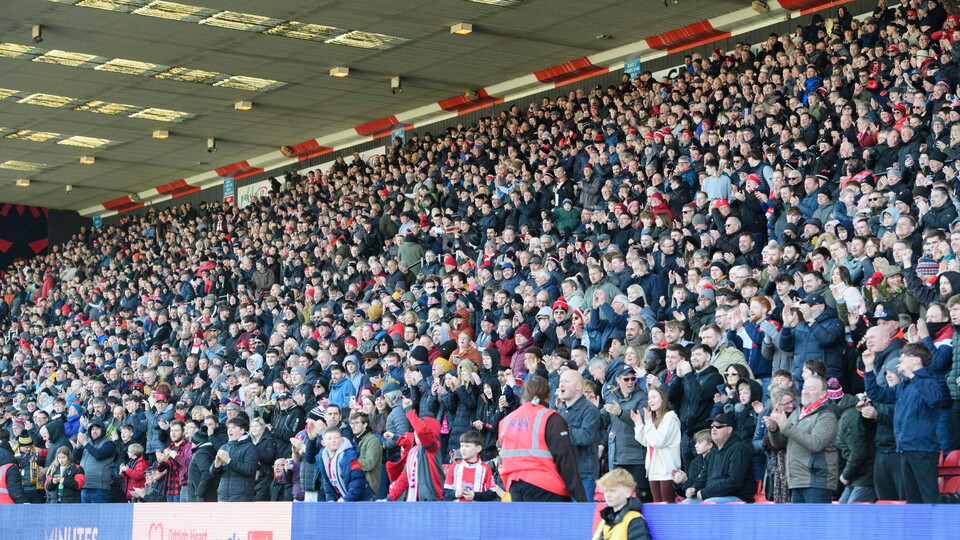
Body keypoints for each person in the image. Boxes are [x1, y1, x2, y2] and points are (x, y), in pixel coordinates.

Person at [863, 343, 940, 504]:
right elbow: (876, 394)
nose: (900, 362)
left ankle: (935, 528)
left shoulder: (930, 380)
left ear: (917, 360)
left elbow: (934, 398)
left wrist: (913, 376)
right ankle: (916, 529)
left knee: (928, 496)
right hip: (903, 448)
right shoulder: (903, 386)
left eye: (904, 358)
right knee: (912, 499)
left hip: (922, 449)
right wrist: (869, 368)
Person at [498, 375, 587, 502]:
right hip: (546, 486)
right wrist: (580, 497)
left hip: (515, 484)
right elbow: (565, 458)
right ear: (548, 394)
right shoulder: (550, 418)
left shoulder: (507, 421)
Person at [766, 375, 838, 503]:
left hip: (816, 481)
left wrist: (786, 426)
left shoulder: (827, 416)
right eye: (804, 387)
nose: (805, 391)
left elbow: (815, 444)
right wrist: (774, 429)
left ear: (823, 394)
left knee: (815, 523)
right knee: (799, 523)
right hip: (796, 480)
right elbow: (779, 444)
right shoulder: (798, 412)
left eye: (811, 388)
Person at [385, 396, 446, 501]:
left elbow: (421, 432)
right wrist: (390, 498)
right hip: (415, 502)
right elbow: (404, 478)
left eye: (420, 427)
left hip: (433, 501)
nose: (416, 432)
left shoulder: (433, 447)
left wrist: (409, 410)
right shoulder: (414, 450)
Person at [684, 412, 753, 503]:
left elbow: (734, 482)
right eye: (712, 426)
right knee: (686, 503)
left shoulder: (738, 449)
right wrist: (694, 488)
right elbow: (703, 478)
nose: (714, 429)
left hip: (736, 496)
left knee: (709, 503)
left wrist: (706, 492)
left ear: (729, 429)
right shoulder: (712, 453)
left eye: (719, 426)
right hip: (712, 496)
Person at [631, 386, 681, 503]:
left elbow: (658, 441)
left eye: (654, 397)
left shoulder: (670, 419)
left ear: (663, 399)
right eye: (649, 398)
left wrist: (648, 423)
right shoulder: (654, 419)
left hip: (667, 470)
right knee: (657, 506)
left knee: (667, 507)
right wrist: (638, 423)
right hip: (654, 470)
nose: (650, 401)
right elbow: (646, 441)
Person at [557, 369, 600, 500]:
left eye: (566, 381)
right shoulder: (560, 411)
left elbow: (586, 436)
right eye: (560, 381)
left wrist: (561, 432)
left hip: (583, 475)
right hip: (563, 475)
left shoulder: (589, 410)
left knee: (582, 519)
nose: (561, 385)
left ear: (579, 386)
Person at [316, 426, 374, 502]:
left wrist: (346, 499)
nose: (333, 441)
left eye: (336, 438)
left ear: (341, 440)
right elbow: (327, 482)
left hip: (361, 499)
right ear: (323, 442)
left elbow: (357, 481)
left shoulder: (349, 457)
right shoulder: (322, 458)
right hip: (343, 499)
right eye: (329, 438)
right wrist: (330, 499)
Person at [593, 468, 652, 540]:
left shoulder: (634, 520)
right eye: (606, 491)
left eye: (613, 491)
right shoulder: (606, 520)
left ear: (628, 492)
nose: (607, 495)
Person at [442, 430, 499, 501]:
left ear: (478, 448)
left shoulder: (485, 468)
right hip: (456, 510)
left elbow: (492, 494)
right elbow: (445, 493)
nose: (463, 449)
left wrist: (475, 496)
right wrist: (455, 494)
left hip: (477, 510)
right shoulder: (454, 467)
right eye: (461, 446)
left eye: (467, 446)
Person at [210, 417, 257, 502]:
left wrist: (229, 461)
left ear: (242, 431)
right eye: (229, 428)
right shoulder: (224, 447)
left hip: (241, 496)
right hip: (223, 495)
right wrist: (216, 466)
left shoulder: (250, 447)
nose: (230, 430)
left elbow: (249, 470)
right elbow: (214, 474)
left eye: (234, 428)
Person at [72, 420, 117, 503]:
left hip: (100, 488)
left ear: (103, 430)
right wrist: (78, 447)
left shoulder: (109, 444)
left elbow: (98, 455)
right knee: (86, 515)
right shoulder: (87, 444)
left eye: (97, 429)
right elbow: (75, 459)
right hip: (84, 487)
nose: (94, 431)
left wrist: (85, 443)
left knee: (99, 515)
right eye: (92, 429)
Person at [349, 411, 383, 496]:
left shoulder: (372, 440)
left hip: (367, 488)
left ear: (365, 424)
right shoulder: (354, 440)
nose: (353, 426)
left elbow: (369, 463)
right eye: (351, 423)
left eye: (356, 423)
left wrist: (349, 462)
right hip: (356, 486)